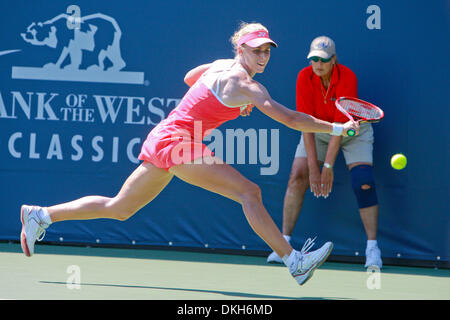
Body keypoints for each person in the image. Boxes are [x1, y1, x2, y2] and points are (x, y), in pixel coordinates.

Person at [19, 23, 359, 286]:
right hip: (179, 142)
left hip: (166, 136)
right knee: (249, 192)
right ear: (241, 49)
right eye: (256, 50)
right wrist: (337, 129)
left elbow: (190, 78)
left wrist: (227, 105)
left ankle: (41, 215)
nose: (263, 56)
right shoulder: (248, 86)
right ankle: (294, 262)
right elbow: (290, 118)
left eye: (267, 50)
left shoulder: (221, 66)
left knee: (119, 208)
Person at [266, 36, 382, 268]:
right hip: (317, 130)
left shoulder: (347, 76)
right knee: (298, 176)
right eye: (314, 59)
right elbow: (304, 124)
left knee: (363, 182)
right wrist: (312, 167)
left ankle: (372, 248)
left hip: (352, 132)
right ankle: (283, 245)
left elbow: (340, 128)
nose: (318, 64)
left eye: (323, 60)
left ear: (334, 60)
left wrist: (327, 167)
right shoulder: (304, 77)